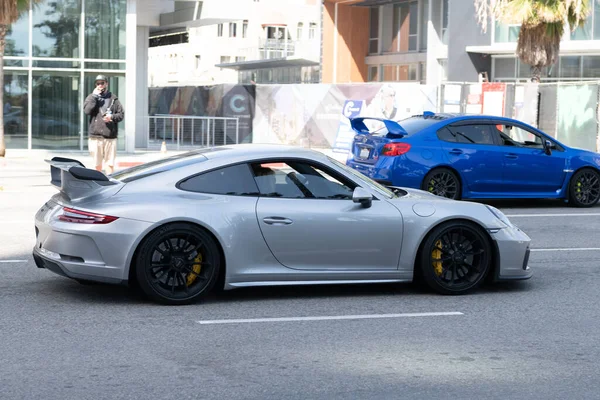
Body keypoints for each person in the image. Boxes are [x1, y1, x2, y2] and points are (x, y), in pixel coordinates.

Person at [84, 74, 124, 174]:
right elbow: (87, 111)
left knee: (110, 163)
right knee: (97, 164)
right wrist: (94, 97)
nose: (100, 85)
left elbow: (121, 115)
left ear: (106, 84)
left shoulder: (114, 99)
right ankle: (98, 183)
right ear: (95, 85)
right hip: (95, 136)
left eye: (102, 83)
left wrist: (111, 117)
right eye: (98, 83)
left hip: (110, 136)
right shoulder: (91, 97)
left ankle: (109, 183)